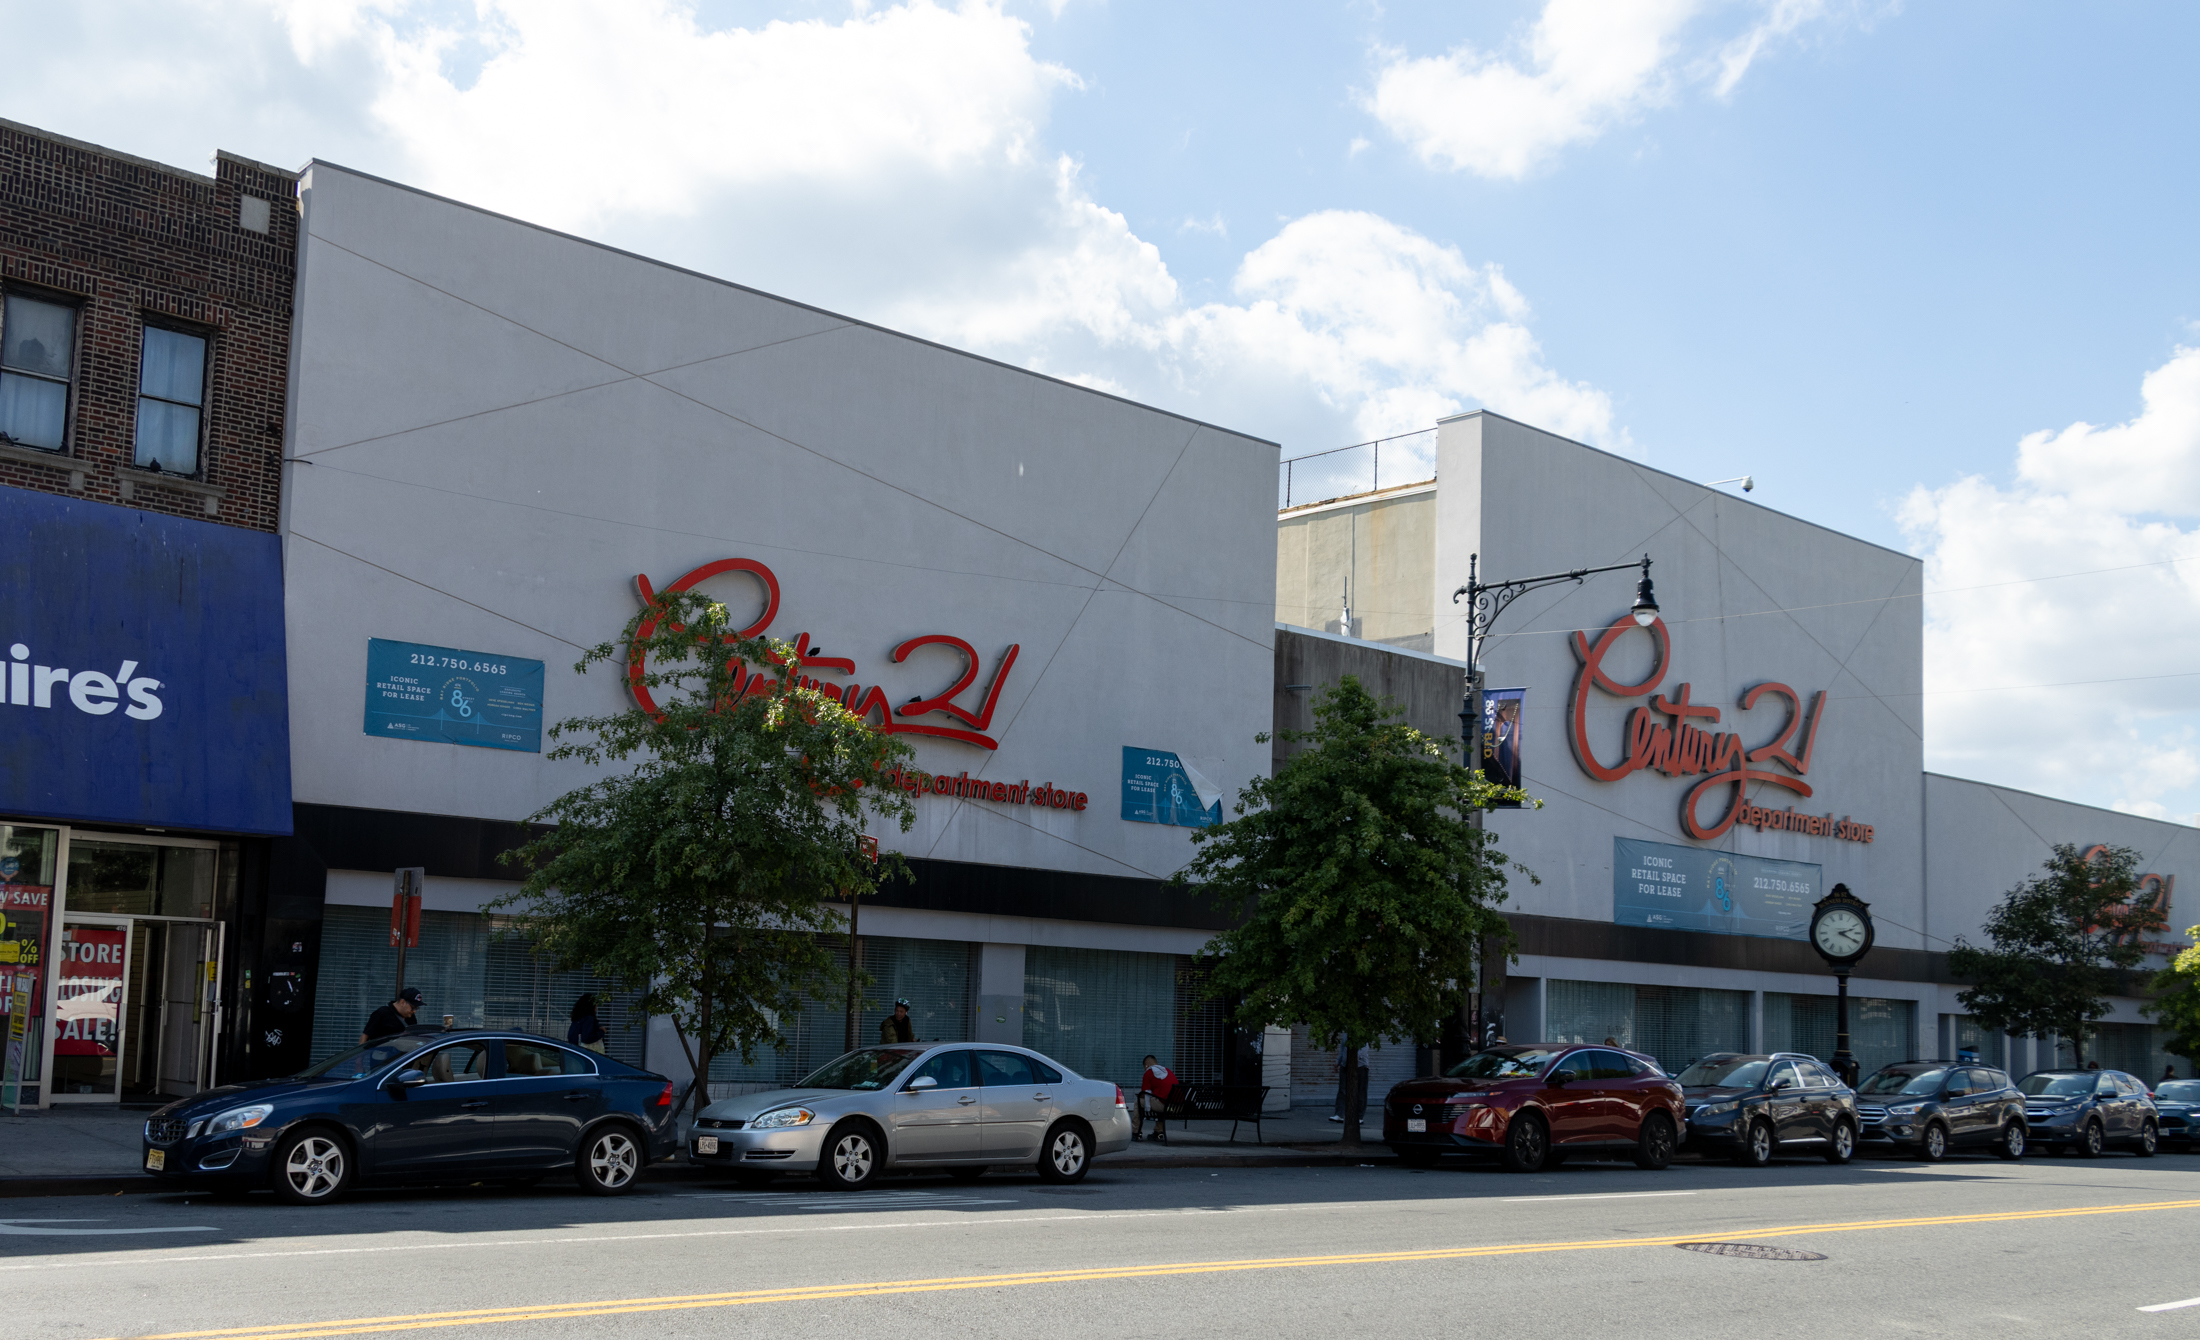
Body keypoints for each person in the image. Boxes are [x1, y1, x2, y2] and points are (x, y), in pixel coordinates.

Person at [1134, 1054, 1177, 1142]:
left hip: (1165, 1106)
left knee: (1137, 1103)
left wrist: (1139, 1096)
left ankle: (1136, 1132)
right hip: (1177, 1108)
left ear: (1146, 1065)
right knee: (1159, 1100)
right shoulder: (1168, 1071)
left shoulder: (1149, 1073)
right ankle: (1158, 1131)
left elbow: (1145, 1093)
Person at [1332, 1042, 1369, 1127]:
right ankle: (1339, 1114)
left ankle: (1359, 1116)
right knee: (1342, 1090)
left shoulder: (1363, 1036)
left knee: (1361, 1091)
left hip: (1361, 1065)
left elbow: (1364, 1049)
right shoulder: (1345, 1035)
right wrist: (1338, 1062)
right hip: (1345, 1065)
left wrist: (1353, 1060)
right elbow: (1342, 1048)